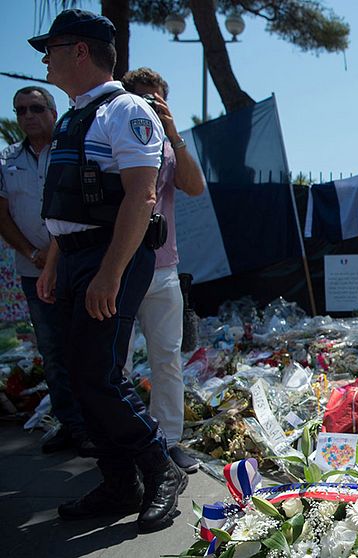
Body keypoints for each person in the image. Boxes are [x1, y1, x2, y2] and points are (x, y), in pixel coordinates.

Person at [29, 9, 186, 533]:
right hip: (76, 257)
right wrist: (55, 261)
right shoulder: (75, 115)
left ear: (80, 51)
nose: (44, 58)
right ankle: (120, 482)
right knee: (79, 377)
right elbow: (65, 202)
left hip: (110, 256)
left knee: (98, 373)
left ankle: (159, 467)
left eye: (51, 48)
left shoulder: (126, 110)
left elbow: (141, 197)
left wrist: (109, 274)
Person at [120, 67, 206, 474]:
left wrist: (173, 132)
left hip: (161, 267)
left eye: (156, 101)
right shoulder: (113, 137)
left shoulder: (170, 148)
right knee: (113, 362)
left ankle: (169, 441)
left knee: (168, 358)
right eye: (141, 99)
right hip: (117, 264)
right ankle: (122, 444)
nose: (148, 108)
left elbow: (195, 186)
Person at [1, 86, 93, 454]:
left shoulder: (71, 150)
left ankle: (95, 426)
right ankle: (71, 425)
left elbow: (72, 208)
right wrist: (32, 254)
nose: (27, 116)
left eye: (36, 108)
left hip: (74, 264)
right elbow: (3, 215)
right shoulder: (8, 159)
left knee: (85, 348)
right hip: (32, 269)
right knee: (52, 351)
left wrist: (51, 256)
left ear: (53, 112)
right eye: (20, 110)